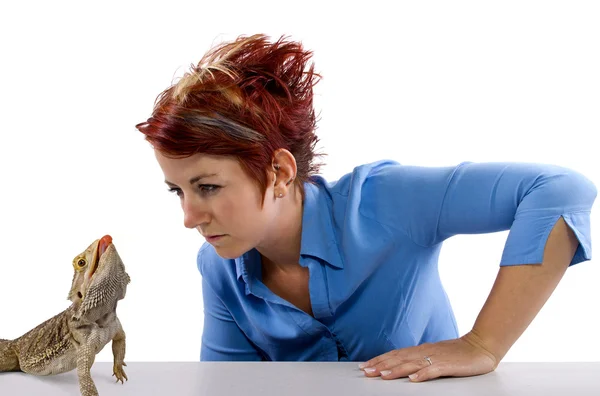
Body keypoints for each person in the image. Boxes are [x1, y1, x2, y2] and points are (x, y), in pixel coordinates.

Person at [135, 34, 597, 382]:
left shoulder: (386, 201)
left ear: (278, 171)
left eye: (208, 187)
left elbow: (559, 188)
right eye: (178, 191)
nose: (190, 218)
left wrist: (483, 344)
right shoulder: (220, 268)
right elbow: (228, 388)